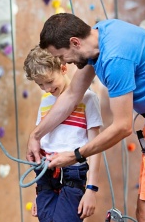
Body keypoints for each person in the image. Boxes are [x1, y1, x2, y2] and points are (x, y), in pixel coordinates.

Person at [26, 13, 145, 222]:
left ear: (75, 42)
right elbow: (72, 95)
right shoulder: (101, 35)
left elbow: (122, 127)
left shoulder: (115, 59)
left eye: (63, 56)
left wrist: (75, 155)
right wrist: (35, 136)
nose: (66, 62)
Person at [24, 46, 103, 222]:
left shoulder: (88, 98)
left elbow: (95, 148)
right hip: (45, 175)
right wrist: (38, 192)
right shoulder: (45, 101)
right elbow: (43, 145)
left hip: (73, 172)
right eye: (40, 84)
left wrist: (91, 189)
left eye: (49, 81)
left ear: (63, 68)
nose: (46, 89)